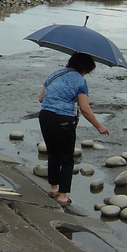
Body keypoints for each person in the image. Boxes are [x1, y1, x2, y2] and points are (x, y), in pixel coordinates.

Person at [38, 52, 109, 206]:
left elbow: (41, 98)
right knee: (67, 159)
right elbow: (84, 108)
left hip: (45, 117)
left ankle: (52, 188)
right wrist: (99, 125)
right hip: (63, 120)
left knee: (53, 154)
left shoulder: (54, 74)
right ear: (85, 69)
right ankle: (63, 196)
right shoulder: (80, 81)